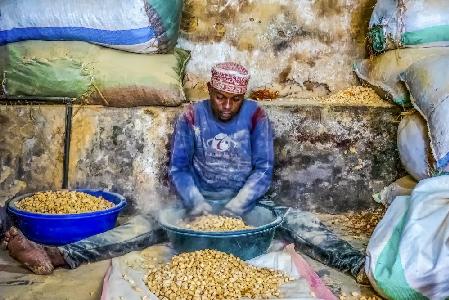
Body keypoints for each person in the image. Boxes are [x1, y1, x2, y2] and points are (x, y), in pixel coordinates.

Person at [1, 62, 368, 284]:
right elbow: (178, 168)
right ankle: (57, 255)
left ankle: (361, 267)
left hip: (248, 204)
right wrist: (195, 203)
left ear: (244, 97)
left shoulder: (256, 115)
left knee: (303, 222)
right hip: (198, 204)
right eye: (219, 97)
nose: (225, 106)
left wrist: (238, 207)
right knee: (144, 225)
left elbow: (263, 170)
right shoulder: (193, 115)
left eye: (233, 99)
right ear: (209, 89)